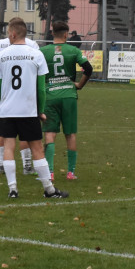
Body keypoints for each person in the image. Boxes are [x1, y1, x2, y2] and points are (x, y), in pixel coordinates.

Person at [0, 17, 68, 200]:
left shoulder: (2, 55)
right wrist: (40, 110)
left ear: (13, 33)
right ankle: (49, 190)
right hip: (28, 110)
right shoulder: (36, 54)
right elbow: (41, 88)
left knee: (9, 147)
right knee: (37, 149)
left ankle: (13, 189)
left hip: (8, 110)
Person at [41, 20, 93, 180]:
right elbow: (88, 69)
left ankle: (50, 172)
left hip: (50, 95)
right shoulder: (73, 50)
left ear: (52, 34)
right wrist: (79, 85)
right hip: (69, 95)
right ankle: (71, 172)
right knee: (70, 134)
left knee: (50, 133)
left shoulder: (43, 51)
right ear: (66, 34)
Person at [0, 30, 39, 175]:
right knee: (26, 134)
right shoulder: (32, 45)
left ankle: (0, 165)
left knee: (4, 133)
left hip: (7, 95)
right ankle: (27, 166)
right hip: (26, 95)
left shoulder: (1, 44)